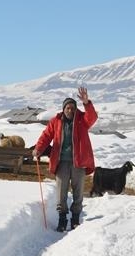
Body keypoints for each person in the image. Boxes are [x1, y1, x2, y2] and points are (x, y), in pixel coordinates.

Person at [33, 86, 98, 231]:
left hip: (78, 163)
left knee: (78, 192)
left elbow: (92, 117)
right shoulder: (55, 121)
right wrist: (38, 149)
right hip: (61, 162)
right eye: (67, 108)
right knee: (61, 191)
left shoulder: (82, 120)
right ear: (63, 109)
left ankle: (75, 219)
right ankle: (62, 219)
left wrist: (87, 103)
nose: (70, 110)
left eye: (72, 108)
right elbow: (46, 136)